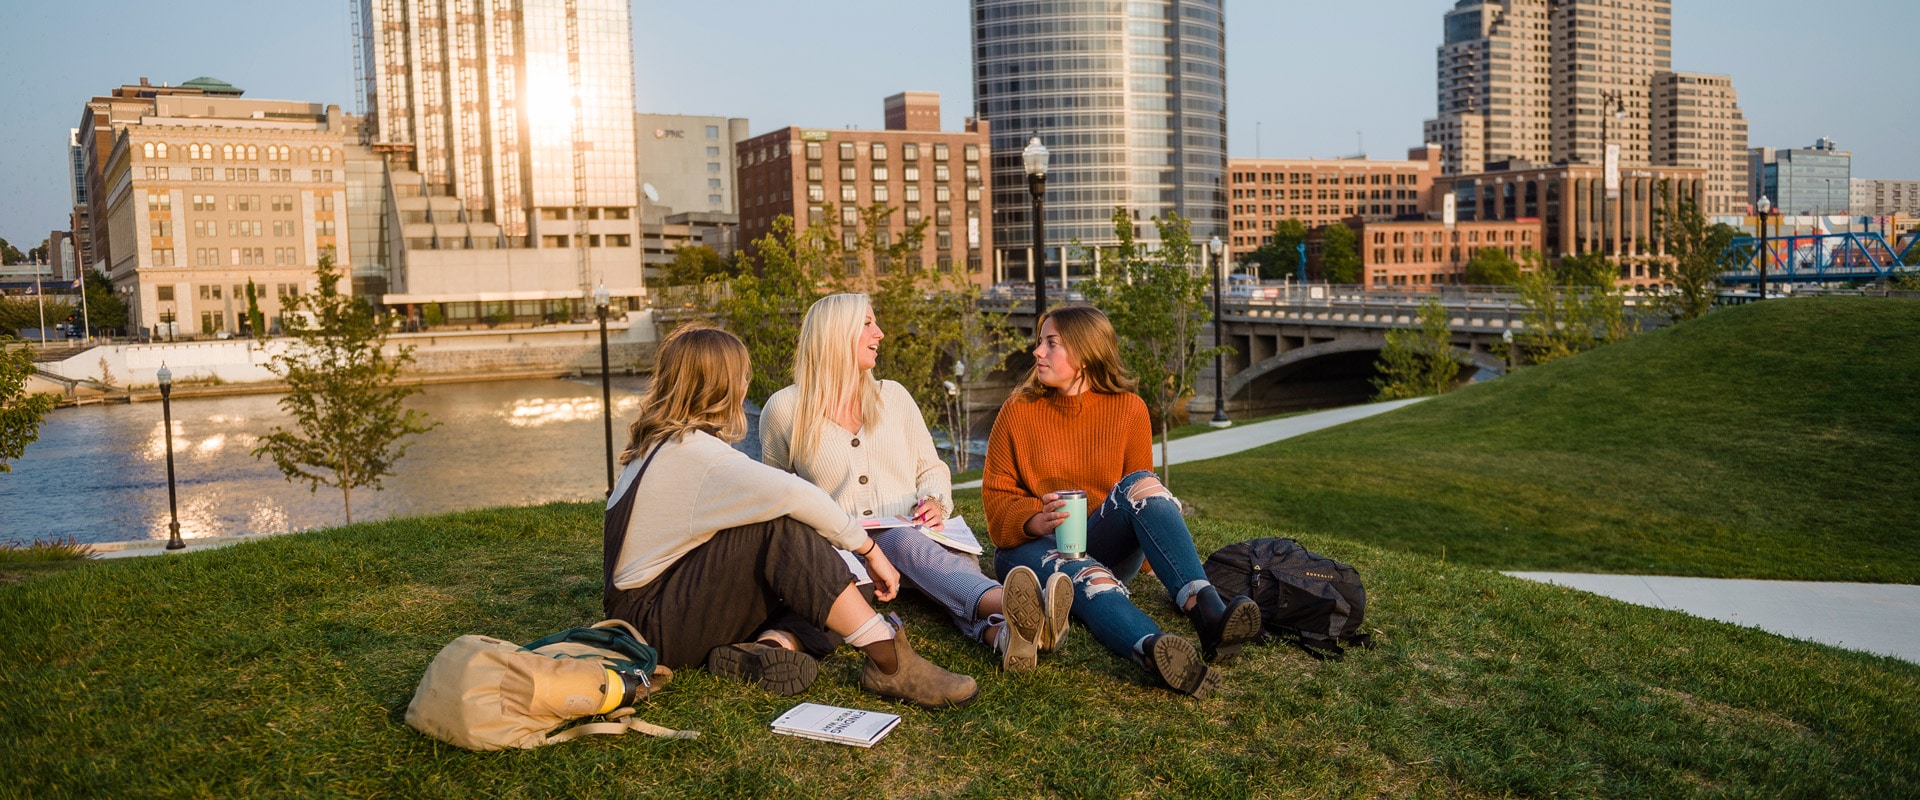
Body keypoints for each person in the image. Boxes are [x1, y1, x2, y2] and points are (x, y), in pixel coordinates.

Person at [602, 324, 977, 708]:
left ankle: (771, 645)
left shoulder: (661, 444)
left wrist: (852, 558)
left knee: (848, 580)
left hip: (656, 609)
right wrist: (869, 548)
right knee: (781, 528)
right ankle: (889, 661)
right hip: (651, 625)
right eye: (743, 376)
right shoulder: (698, 454)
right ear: (726, 386)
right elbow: (794, 493)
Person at [761, 293, 1071, 672]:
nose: (881, 333)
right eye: (868, 324)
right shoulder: (785, 410)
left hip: (916, 538)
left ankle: (1010, 625)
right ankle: (1014, 620)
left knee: (910, 543)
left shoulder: (892, 397)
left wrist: (935, 502)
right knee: (892, 554)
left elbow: (931, 469)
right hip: (842, 549)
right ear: (835, 334)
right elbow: (777, 494)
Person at [982, 305, 1263, 698]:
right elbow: (996, 503)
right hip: (1030, 550)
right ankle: (1153, 649)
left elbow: (1139, 505)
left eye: (1051, 343)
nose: (1037, 352)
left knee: (1143, 484)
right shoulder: (1018, 411)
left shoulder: (1129, 409)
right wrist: (1034, 520)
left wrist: (1152, 559)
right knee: (1087, 576)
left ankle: (1208, 610)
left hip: (1104, 542)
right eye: (1039, 342)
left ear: (1084, 352)